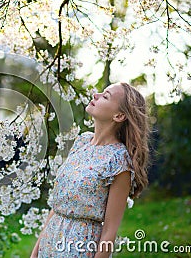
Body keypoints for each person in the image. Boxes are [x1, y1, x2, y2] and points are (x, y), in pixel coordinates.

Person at [30, 82, 149, 258]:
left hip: (78, 248)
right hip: (50, 241)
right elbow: (59, 205)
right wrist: (35, 253)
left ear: (119, 115)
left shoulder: (119, 161)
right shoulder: (82, 142)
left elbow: (109, 231)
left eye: (106, 96)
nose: (96, 95)